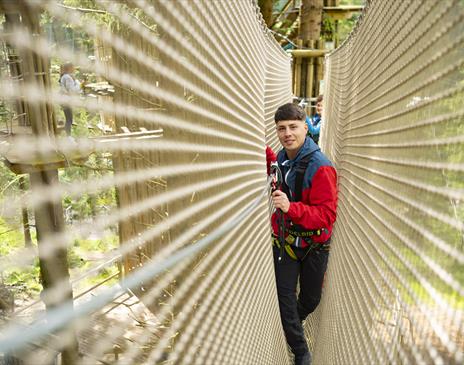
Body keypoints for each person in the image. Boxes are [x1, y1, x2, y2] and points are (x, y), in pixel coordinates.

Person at [269, 103, 337, 365]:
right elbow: (276, 167)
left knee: (310, 298)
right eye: (281, 129)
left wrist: (290, 207)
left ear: (306, 127)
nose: (287, 133)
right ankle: (300, 351)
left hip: (314, 244)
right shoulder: (281, 157)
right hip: (285, 242)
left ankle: (293, 324)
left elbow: (327, 216)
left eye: (293, 127)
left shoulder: (321, 167)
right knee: (284, 298)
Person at [59, 62, 82, 136]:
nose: (74, 68)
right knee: (69, 120)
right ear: (69, 68)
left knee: (68, 119)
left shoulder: (65, 77)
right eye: (73, 67)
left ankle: (68, 137)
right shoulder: (67, 77)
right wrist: (79, 85)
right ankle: (68, 138)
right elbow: (72, 90)